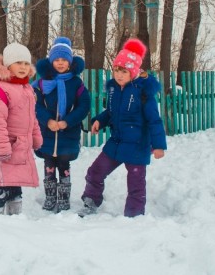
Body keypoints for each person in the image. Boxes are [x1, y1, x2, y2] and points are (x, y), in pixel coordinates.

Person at [79, 38, 167, 218]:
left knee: (136, 183)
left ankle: (134, 215)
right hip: (116, 143)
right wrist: (99, 121)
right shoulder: (114, 89)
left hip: (137, 146)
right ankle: (91, 201)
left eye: (124, 71)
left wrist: (158, 145)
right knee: (95, 171)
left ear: (133, 72)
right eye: (116, 70)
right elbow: (111, 112)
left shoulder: (144, 93)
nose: (118, 75)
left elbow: (154, 120)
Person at [0, 43, 43, 215]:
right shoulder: (0, 91)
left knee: (15, 187)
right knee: (1, 186)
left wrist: (36, 137)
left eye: (26, 63)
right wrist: (2, 148)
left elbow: (32, 118)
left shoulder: (27, 89)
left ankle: (15, 220)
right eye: (18, 63)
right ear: (8, 65)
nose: (23, 67)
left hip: (21, 147)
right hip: (6, 147)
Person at [34, 37, 90, 212]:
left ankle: (64, 199)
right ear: (51, 61)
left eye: (64, 60)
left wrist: (67, 122)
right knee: (49, 164)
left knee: (64, 165)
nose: (60, 63)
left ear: (70, 62)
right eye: (57, 60)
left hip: (68, 133)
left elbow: (84, 106)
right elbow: (35, 105)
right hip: (48, 132)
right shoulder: (42, 83)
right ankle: (50, 197)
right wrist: (47, 121)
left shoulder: (76, 83)